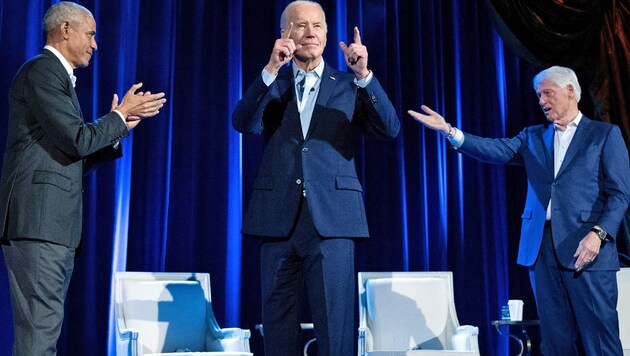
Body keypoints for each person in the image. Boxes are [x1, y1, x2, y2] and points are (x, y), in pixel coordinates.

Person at [408, 66, 629, 355]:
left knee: (600, 338)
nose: (541, 100)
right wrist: (451, 131)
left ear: (570, 91)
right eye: (539, 95)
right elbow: (495, 150)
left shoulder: (604, 135)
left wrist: (598, 235)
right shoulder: (533, 137)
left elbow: (620, 194)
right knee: (555, 342)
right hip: (541, 248)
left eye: (547, 92)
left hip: (587, 249)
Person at [232, 1, 400, 354]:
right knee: (277, 326)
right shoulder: (273, 83)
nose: (310, 33)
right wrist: (269, 69)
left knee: (335, 326)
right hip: (278, 218)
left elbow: (389, 128)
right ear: (284, 34)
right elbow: (243, 122)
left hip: (334, 218)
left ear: (326, 33)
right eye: (300, 25)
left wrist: (364, 76)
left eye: (318, 26)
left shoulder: (347, 84)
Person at [0, 2, 166, 355]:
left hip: (51, 226)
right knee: (38, 338)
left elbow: (70, 157)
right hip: (39, 225)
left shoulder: (55, 77)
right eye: (90, 34)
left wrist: (118, 129)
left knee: (41, 334)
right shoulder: (43, 71)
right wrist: (118, 117)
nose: (95, 44)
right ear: (64, 30)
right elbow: (77, 139)